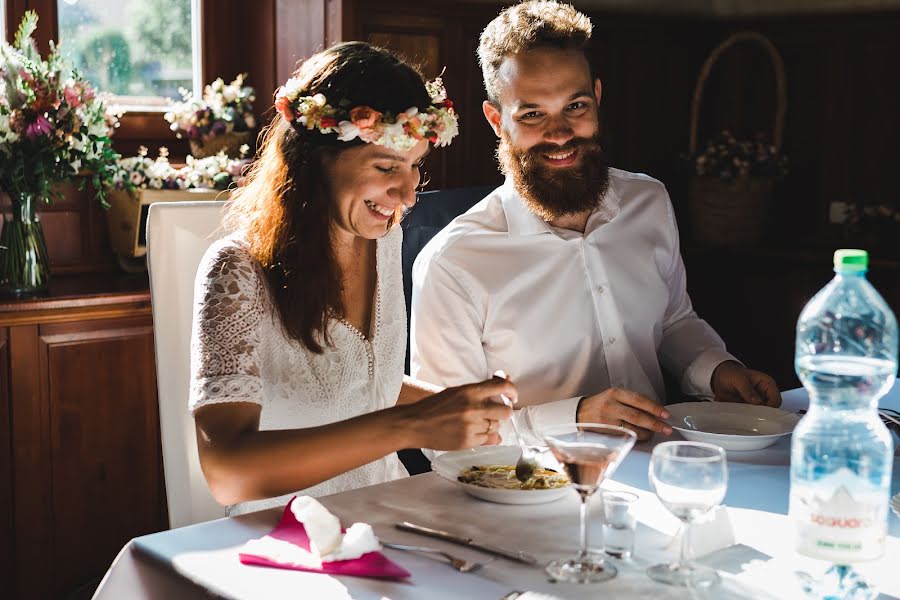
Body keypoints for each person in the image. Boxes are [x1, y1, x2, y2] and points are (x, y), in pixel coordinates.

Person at [409, 1, 779, 445]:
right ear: (496, 121)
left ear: (597, 99)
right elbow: (447, 433)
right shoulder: (454, 261)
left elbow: (673, 320)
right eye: (532, 114)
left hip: (659, 462)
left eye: (575, 106)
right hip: (530, 495)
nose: (560, 132)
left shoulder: (650, 201)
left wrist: (717, 370)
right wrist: (576, 416)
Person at [189, 42, 514, 516]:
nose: (407, 195)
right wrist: (409, 426)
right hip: (286, 539)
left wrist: (454, 406)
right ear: (316, 159)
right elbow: (227, 471)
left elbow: (361, 380)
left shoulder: (383, 239)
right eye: (385, 167)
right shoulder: (237, 273)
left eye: (415, 166)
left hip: (390, 512)